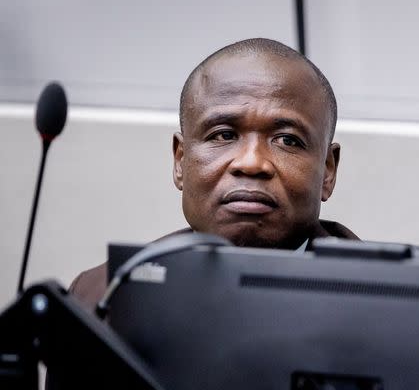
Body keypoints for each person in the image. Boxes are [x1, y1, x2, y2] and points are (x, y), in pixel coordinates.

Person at [68, 38, 358, 311]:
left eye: (287, 140)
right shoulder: (97, 298)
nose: (252, 163)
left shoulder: (393, 307)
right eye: (224, 135)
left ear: (328, 171)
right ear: (180, 161)